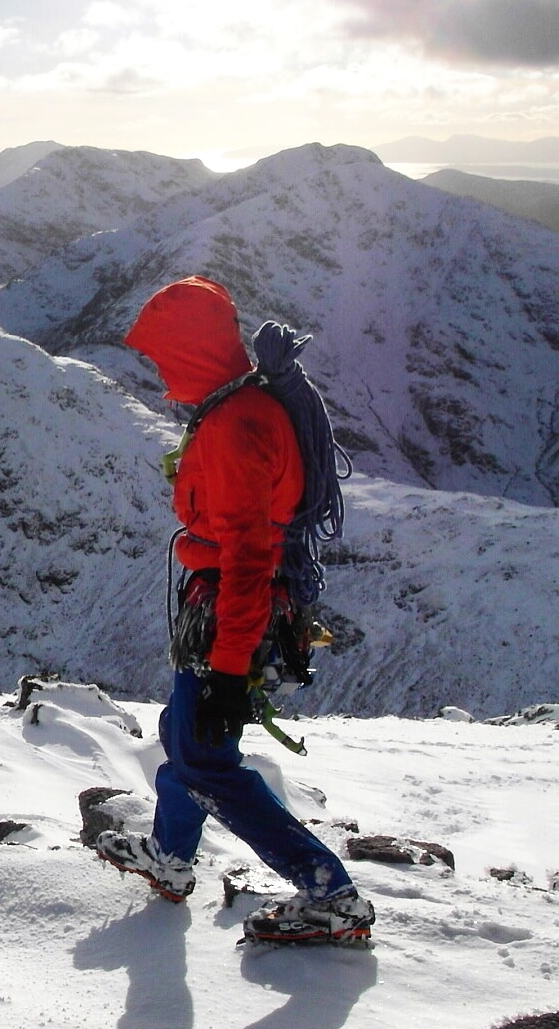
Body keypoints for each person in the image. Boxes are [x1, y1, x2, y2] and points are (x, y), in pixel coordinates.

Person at [95, 275, 374, 945]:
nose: (160, 373)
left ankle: (330, 890)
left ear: (191, 351)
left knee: (206, 760)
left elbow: (248, 555)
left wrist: (226, 672)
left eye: (165, 356)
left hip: (232, 614)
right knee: (188, 734)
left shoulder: (233, 427)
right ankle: (170, 856)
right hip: (231, 608)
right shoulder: (243, 406)